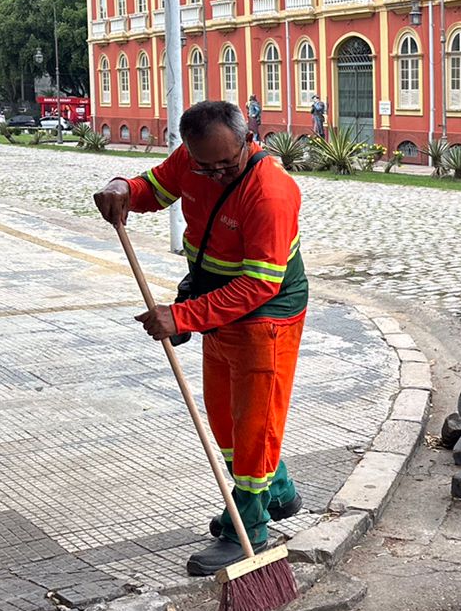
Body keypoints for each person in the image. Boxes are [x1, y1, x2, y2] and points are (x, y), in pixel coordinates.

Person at [93, 100, 308, 575]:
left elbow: (259, 284)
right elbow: (152, 187)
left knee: (254, 428)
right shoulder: (194, 160)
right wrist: (120, 189)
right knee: (226, 424)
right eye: (204, 167)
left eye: (227, 165)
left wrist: (182, 317)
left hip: (267, 317)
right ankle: (280, 494)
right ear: (189, 151)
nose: (215, 176)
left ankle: (247, 529)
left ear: (248, 139)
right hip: (217, 308)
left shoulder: (270, 193)